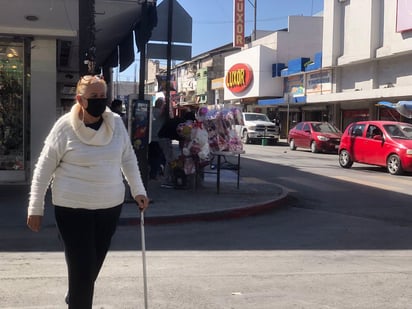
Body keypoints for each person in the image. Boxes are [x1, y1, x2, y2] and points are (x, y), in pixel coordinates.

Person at [26, 75, 149, 308]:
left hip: (109, 207)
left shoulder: (116, 124)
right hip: (72, 208)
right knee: (82, 268)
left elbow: (128, 159)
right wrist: (36, 207)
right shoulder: (64, 127)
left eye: (103, 96)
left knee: (93, 264)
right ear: (80, 99)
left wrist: (138, 190)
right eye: (94, 97)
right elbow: (44, 167)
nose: (100, 101)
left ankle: (75, 295)